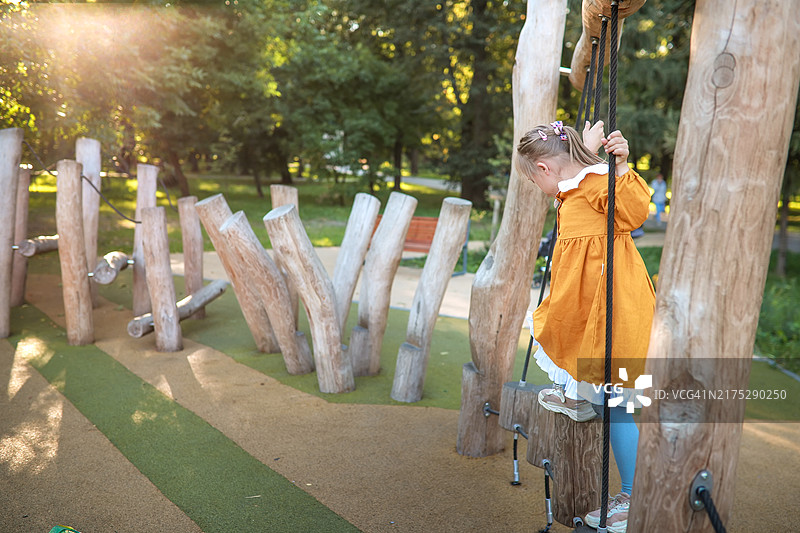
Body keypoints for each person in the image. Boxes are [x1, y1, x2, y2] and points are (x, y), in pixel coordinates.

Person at [515, 120, 655, 533]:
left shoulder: (595, 182)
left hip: (615, 310)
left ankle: (633, 496)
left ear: (543, 170)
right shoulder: (576, 183)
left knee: (619, 406)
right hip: (590, 306)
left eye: (534, 178)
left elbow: (633, 211)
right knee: (560, 333)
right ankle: (579, 394)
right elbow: (571, 176)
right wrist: (585, 151)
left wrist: (619, 165)